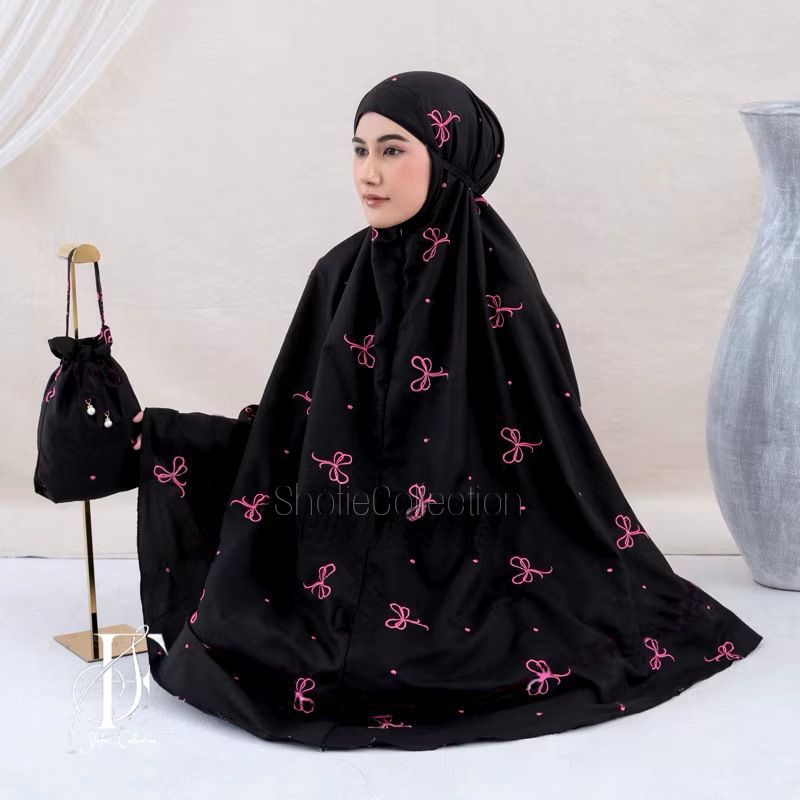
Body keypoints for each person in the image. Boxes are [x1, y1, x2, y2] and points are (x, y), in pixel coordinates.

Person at [129, 70, 763, 751]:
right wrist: (170, 436)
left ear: (448, 157)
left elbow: (551, 448)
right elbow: (292, 429)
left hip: (479, 546)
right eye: (359, 149)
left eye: (392, 149)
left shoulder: (502, 287)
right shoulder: (337, 275)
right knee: (260, 636)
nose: (368, 173)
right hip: (335, 548)